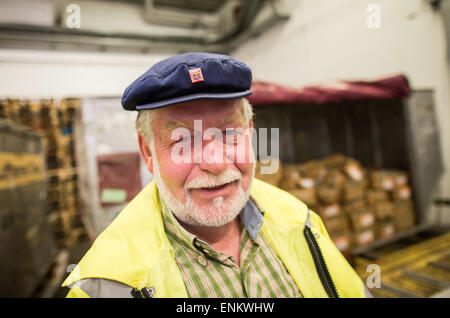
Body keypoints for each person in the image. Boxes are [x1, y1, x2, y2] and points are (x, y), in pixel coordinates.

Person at [63, 52, 371, 298]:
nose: (215, 162)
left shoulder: (300, 221)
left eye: (230, 134)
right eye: (183, 140)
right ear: (148, 153)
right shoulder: (104, 286)